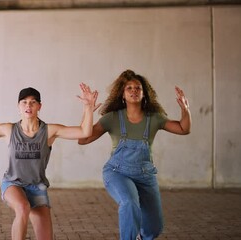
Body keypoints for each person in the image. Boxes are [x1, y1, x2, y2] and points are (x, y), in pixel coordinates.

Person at [0, 80, 101, 240]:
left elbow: (85, 132)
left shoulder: (50, 131)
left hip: (37, 187)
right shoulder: (9, 130)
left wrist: (88, 108)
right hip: (13, 183)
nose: (28, 105)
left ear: (39, 106)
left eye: (33, 102)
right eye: (24, 102)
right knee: (23, 208)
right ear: (18, 106)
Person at [78, 70, 191, 240]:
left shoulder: (155, 118)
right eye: (129, 88)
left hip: (145, 176)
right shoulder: (112, 118)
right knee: (129, 203)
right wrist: (88, 111)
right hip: (117, 173)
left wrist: (185, 109)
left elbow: (184, 129)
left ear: (144, 94)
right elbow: (83, 140)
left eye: (138, 88)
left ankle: (140, 236)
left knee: (154, 228)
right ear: (122, 95)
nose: (134, 90)